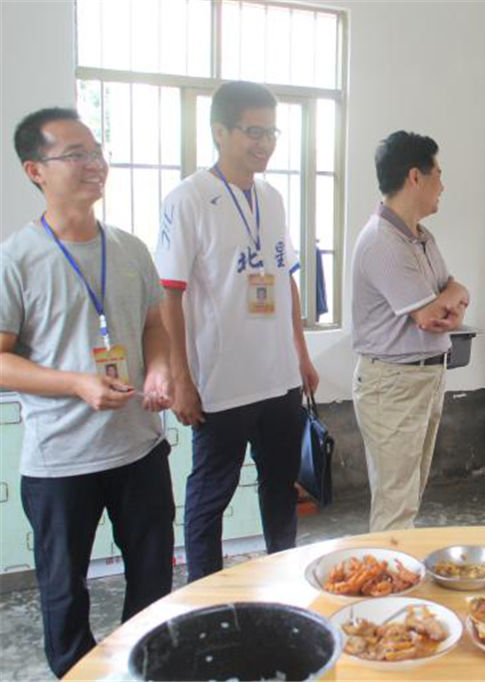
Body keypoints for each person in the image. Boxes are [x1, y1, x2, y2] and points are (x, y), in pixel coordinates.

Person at [0, 107, 174, 676]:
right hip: (61, 461)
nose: (94, 164)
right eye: (75, 155)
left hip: (140, 448)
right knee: (64, 592)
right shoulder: (16, 259)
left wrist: (159, 370)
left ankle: (144, 668)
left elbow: (153, 325)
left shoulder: (129, 248)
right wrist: (76, 383)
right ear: (35, 170)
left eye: (96, 152)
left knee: (152, 581)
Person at [155, 81, 318, 582]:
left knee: (280, 488)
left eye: (272, 133)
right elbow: (170, 295)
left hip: (279, 379)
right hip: (221, 384)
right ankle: (203, 594)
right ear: (219, 132)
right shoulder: (187, 199)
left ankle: (283, 578)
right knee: (211, 496)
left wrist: (301, 354)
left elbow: (286, 280)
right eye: (253, 132)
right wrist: (181, 379)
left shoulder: (272, 198)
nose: (265, 144)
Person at [351, 131, 469, 532]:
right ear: (415, 177)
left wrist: (454, 297)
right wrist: (451, 299)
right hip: (394, 383)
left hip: (424, 376)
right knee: (396, 504)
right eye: (439, 174)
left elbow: (455, 288)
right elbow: (431, 315)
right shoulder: (382, 241)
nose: (443, 186)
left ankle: (396, 566)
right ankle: (385, 570)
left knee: (409, 495)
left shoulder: (420, 236)